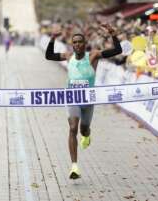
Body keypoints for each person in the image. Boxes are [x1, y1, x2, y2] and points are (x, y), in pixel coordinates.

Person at [45, 24, 122, 179]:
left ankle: (87, 135)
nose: (77, 44)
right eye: (75, 42)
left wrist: (113, 34)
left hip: (88, 100)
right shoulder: (68, 56)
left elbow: (117, 51)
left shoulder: (93, 56)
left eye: (80, 42)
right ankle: (74, 167)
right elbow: (49, 56)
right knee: (73, 127)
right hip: (72, 97)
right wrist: (52, 38)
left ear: (85, 44)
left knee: (83, 129)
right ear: (72, 45)